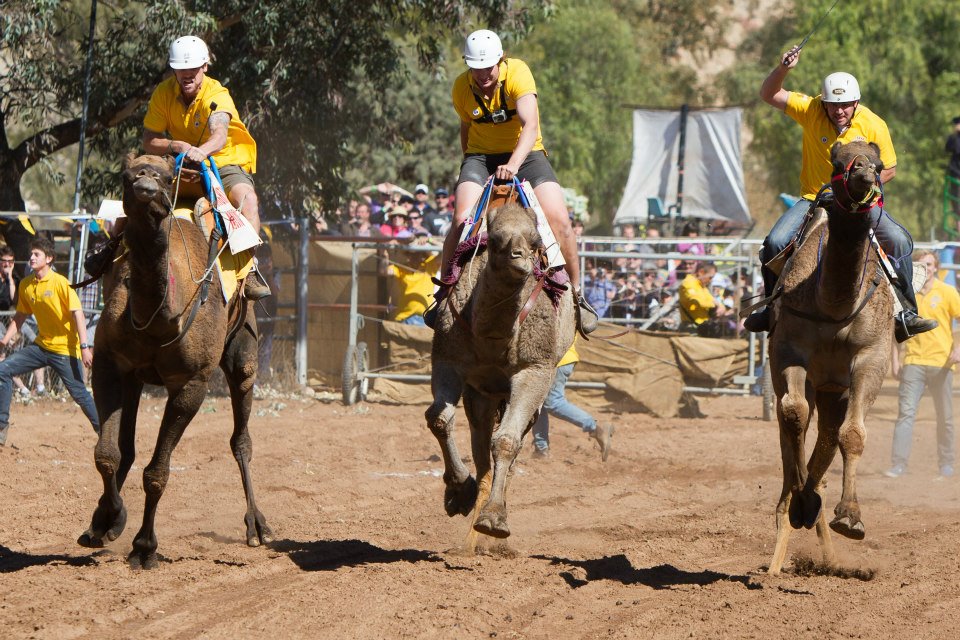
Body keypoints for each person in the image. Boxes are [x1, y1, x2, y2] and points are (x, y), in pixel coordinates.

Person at [744, 46, 936, 343]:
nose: (839, 110)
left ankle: (906, 313)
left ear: (856, 102)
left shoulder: (873, 124)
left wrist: (862, 188)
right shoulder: (810, 110)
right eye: (833, 104)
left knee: (898, 240)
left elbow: (891, 168)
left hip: (858, 202)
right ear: (824, 101)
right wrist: (783, 69)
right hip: (814, 199)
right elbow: (769, 94)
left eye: (845, 104)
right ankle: (771, 308)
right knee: (775, 241)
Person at [433, 29, 599, 334]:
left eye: (488, 67)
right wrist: (470, 165)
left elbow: (530, 123)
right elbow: (466, 129)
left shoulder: (518, 73)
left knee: (560, 219)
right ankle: (443, 292)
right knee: (460, 218)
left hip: (527, 154)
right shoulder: (461, 88)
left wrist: (512, 164)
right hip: (481, 156)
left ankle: (577, 295)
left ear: (500, 60)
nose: (483, 74)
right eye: (476, 68)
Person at [140, 35, 270, 300]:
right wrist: (176, 145)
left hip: (223, 162)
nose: (187, 75)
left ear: (205, 67)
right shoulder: (163, 93)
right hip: (181, 164)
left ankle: (249, 269)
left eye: (193, 69)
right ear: (173, 69)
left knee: (249, 201)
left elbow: (220, 135)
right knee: (140, 190)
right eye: (181, 69)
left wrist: (202, 151)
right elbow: (149, 140)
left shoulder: (217, 94)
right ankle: (112, 252)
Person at [0, 238, 99, 446]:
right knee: (3, 370)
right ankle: (1, 428)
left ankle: (105, 433)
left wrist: (84, 347)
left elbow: (78, 314)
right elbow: (19, 317)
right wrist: (4, 340)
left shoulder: (60, 283)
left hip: (64, 349)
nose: (32, 257)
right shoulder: (27, 285)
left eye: (37, 254)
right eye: (31, 254)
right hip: (41, 346)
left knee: (80, 394)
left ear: (49, 259)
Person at [884, 250, 959, 479]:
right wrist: (895, 360)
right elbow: (896, 328)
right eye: (920, 265)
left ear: (936, 267)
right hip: (913, 362)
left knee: (945, 417)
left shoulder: (947, 292)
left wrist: (958, 348)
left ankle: (946, 464)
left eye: (928, 265)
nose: (924, 269)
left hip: (942, 362)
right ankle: (899, 465)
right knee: (905, 415)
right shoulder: (907, 295)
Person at [531, 341, 613, 460]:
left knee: (553, 402)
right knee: (538, 402)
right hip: (554, 358)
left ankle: (596, 428)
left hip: (557, 358)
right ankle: (541, 449)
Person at [385, 233, 440, 326]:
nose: (414, 257)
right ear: (408, 256)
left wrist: (430, 240)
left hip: (424, 320)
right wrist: (385, 251)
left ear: (423, 255)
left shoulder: (430, 265)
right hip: (403, 319)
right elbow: (384, 271)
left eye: (418, 253)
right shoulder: (401, 269)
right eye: (411, 254)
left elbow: (447, 251)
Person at [678, 262, 730, 336]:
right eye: (710, 277)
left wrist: (721, 307)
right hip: (691, 328)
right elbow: (697, 301)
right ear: (701, 272)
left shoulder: (701, 285)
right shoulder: (688, 283)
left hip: (703, 326)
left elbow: (712, 300)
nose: (711, 280)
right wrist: (715, 305)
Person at [945, 117, 960, 219]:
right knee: (955, 202)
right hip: (955, 173)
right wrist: (955, 135)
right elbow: (947, 148)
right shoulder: (954, 138)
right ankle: (958, 229)